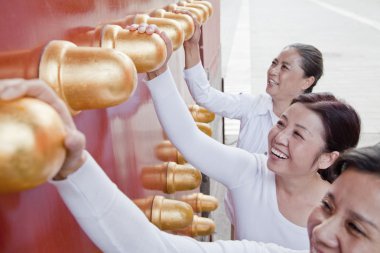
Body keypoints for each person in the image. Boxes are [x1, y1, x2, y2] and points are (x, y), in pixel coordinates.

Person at [2, 79, 380, 253]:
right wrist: (74, 166)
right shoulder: (254, 173)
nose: (323, 233)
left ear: (328, 158)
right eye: (328, 207)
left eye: (356, 228)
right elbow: (152, 247)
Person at [130, 24, 359, 249]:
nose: (280, 137)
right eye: (281, 123)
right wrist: (159, 69)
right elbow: (190, 139)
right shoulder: (251, 171)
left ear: (327, 158)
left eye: (298, 135)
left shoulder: (340, 217)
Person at [182, 14, 324, 239]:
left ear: (307, 82)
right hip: (240, 212)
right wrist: (191, 46)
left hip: (286, 218)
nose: (273, 71)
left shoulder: (316, 124)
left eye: (285, 67)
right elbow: (205, 96)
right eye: (274, 62)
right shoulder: (252, 106)